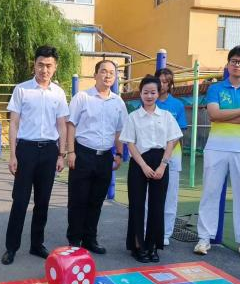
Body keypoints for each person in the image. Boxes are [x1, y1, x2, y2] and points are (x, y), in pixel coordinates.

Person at [195, 45, 240, 261]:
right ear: (228, 63)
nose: (237, 65)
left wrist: (227, 115)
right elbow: (214, 115)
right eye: (233, 61)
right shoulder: (216, 88)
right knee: (210, 192)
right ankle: (204, 238)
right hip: (216, 147)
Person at [2, 45, 69, 265]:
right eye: (40, 64)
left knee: (43, 201)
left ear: (55, 67)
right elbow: (13, 123)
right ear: (34, 65)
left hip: (49, 151)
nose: (44, 69)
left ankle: (37, 244)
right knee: (20, 201)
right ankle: (11, 247)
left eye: (49, 65)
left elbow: (62, 125)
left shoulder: (58, 93)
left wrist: (61, 154)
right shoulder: (22, 90)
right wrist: (12, 155)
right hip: (26, 150)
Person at [66, 60, 127, 254]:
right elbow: (71, 125)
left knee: (96, 201)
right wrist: (70, 152)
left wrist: (119, 154)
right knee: (78, 200)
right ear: (95, 75)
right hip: (82, 154)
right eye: (103, 71)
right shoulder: (82, 97)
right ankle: (74, 239)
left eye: (111, 73)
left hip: (105, 158)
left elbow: (119, 131)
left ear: (115, 77)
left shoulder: (118, 102)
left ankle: (90, 239)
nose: (108, 76)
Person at [120, 75, 182, 263]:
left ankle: (153, 246)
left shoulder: (166, 116)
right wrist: (144, 166)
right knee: (137, 205)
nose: (149, 96)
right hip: (139, 162)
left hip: (160, 162)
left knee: (157, 206)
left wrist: (163, 165)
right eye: (145, 92)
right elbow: (130, 144)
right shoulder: (133, 117)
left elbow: (172, 141)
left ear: (158, 93)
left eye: (153, 92)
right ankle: (138, 246)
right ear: (140, 93)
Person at [154, 68, 188, 246]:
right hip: (150, 154)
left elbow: (178, 133)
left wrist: (166, 151)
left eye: (166, 81)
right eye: (159, 80)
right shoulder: (148, 101)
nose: (162, 85)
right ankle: (148, 229)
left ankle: (165, 233)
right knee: (149, 195)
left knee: (170, 196)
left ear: (170, 84)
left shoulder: (177, 105)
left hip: (172, 156)